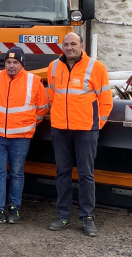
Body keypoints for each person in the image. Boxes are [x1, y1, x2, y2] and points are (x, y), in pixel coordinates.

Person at [46, 33, 111, 237]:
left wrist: (95, 124)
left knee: (86, 174)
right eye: (66, 44)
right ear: (62, 47)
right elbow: (52, 95)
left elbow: (105, 100)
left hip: (86, 130)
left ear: (82, 45)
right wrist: (57, 118)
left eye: (73, 44)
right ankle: (63, 215)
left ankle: (87, 217)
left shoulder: (96, 67)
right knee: (62, 173)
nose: (69, 47)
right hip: (60, 129)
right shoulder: (53, 67)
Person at [0, 47, 48, 224]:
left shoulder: (33, 81)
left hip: (21, 137)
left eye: (15, 62)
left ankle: (14, 209)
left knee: (16, 173)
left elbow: (43, 108)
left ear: (22, 64)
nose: (11, 66)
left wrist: (28, 124)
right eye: (8, 62)